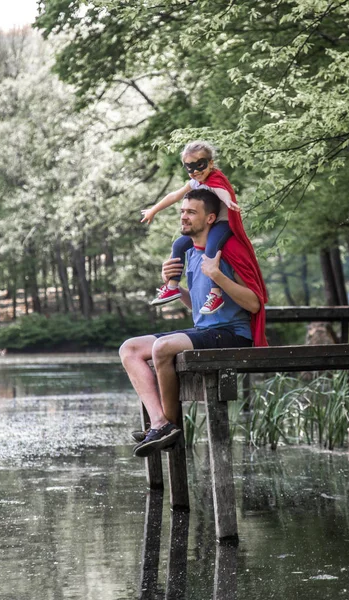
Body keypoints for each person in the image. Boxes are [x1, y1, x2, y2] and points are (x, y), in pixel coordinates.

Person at [121, 188, 267, 457]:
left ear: (210, 218)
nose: (184, 217)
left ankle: (170, 427)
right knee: (129, 349)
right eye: (182, 211)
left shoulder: (230, 249)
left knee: (163, 348)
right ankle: (160, 423)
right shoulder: (190, 251)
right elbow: (200, 308)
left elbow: (254, 304)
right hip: (205, 330)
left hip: (233, 334)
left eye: (191, 212)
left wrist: (218, 276)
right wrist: (175, 289)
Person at [141, 140, 264, 316]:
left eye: (200, 165)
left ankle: (216, 293)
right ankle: (173, 286)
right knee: (178, 245)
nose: (195, 171)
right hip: (208, 224)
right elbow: (175, 195)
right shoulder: (195, 183)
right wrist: (154, 209)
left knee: (211, 248)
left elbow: (221, 190)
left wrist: (228, 200)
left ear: (211, 163)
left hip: (222, 223)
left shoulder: (215, 178)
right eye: (189, 168)